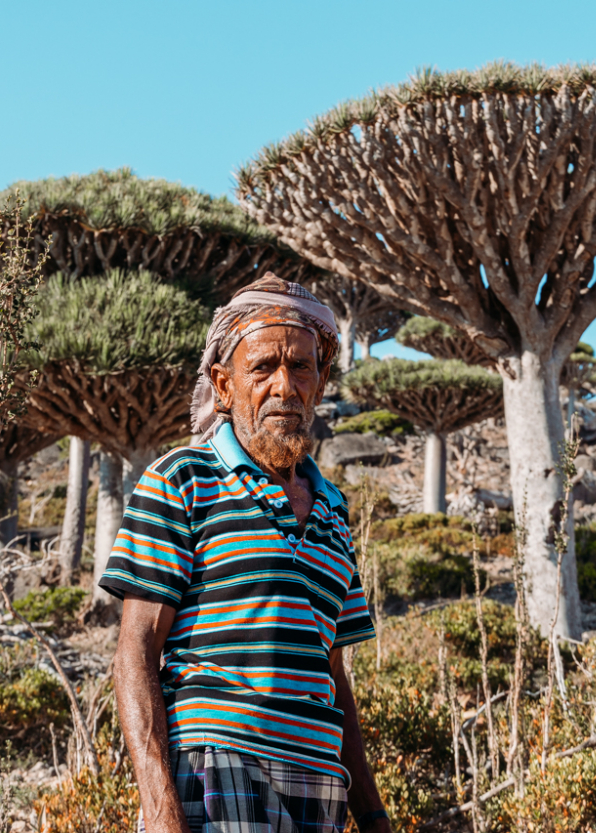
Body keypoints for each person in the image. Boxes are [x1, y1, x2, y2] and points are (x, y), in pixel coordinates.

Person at [101, 275, 391, 833]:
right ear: (224, 385)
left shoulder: (334, 509)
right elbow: (134, 652)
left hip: (319, 784)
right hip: (215, 771)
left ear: (320, 380)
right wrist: (163, 815)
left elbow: (330, 671)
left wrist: (373, 817)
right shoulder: (183, 479)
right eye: (261, 368)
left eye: (301, 367)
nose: (284, 385)